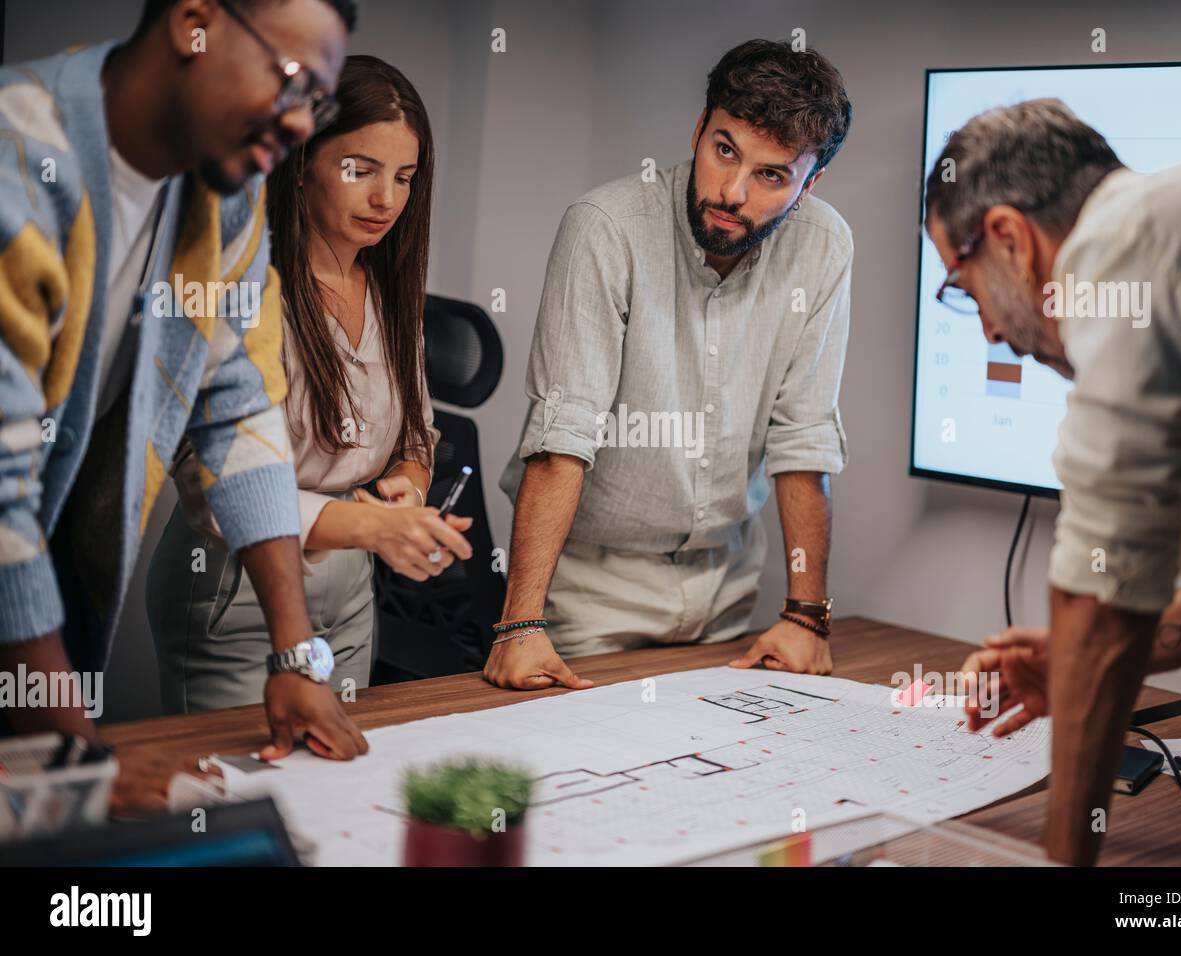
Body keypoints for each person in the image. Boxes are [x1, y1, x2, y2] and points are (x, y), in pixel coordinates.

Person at [0, 0, 367, 813]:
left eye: (322, 102)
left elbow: (237, 410)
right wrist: (69, 760)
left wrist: (295, 657)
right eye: (295, 81)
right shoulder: (21, 156)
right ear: (194, 21)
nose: (304, 123)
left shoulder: (221, 195)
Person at [923, 98, 1181, 864]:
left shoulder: (1119, 248)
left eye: (964, 289)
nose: (990, 329)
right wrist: (1071, 661)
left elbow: (1103, 603)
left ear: (1008, 238)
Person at [488, 39, 853, 690]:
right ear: (699, 128)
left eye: (772, 175)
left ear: (809, 182)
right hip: (595, 592)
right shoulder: (606, 227)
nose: (733, 190)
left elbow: (804, 437)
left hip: (728, 588)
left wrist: (806, 615)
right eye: (724, 150)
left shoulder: (824, 245)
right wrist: (519, 625)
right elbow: (562, 437)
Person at [147, 54, 472, 712]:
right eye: (361, 170)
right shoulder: (244, 284)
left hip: (352, 593)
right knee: (241, 790)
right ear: (301, 165)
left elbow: (416, 431)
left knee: (337, 781)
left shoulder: (388, 291)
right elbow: (213, 477)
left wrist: (405, 493)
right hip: (237, 590)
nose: (387, 200)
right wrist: (368, 526)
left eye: (405, 178)